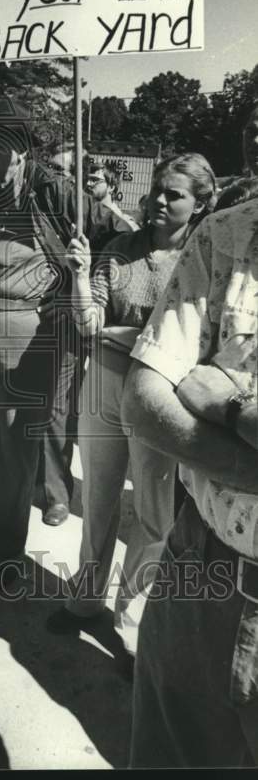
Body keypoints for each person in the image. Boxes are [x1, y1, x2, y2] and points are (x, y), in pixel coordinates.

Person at [0, 96, 129, 577]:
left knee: (17, 443)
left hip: (25, 328)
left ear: (21, 148)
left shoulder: (56, 190)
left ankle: (7, 548)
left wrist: (84, 276)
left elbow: (119, 233)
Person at [47, 153, 217, 658]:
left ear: (201, 204)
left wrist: (136, 338)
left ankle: (133, 622)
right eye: (157, 191)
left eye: (176, 195)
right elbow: (88, 325)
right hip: (104, 378)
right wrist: (80, 277)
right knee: (98, 496)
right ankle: (85, 599)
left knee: (152, 510)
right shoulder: (119, 249)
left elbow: (202, 336)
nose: (160, 201)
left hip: (164, 392)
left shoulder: (204, 258)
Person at [121, 196, 258, 767]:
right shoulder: (230, 233)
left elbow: (189, 390)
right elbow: (146, 399)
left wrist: (227, 404)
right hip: (202, 571)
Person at [85, 159, 140, 231]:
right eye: (87, 180)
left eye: (95, 180)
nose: (88, 184)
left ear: (111, 187)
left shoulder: (126, 224)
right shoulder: (83, 218)